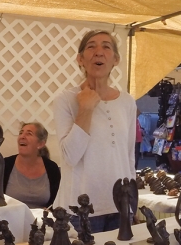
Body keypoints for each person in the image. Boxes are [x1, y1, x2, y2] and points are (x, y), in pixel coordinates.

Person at [54, 30, 137, 232]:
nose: (98, 52)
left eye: (106, 47)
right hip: (80, 210)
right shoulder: (66, 100)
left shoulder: (127, 102)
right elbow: (70, 156)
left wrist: (133, 203)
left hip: (120, 207)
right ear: (80, 59)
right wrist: (85, 109)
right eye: (91, 46)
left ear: (115, 59)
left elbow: (128, 157)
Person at [1, 122, 61, 209]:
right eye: (21, 133)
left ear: (40, 144)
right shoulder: (4, 165)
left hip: (42, 221)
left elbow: (57, 201)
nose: (22, 136)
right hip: (10, 220)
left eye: (29, 134)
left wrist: (50, 210)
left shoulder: (52, 168)